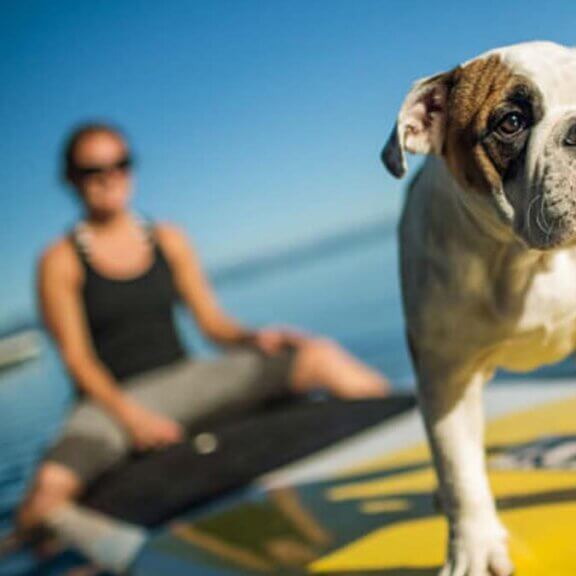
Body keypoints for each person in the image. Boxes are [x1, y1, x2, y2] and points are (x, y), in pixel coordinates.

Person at [10, 122, 389, 571]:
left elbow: (212, 324)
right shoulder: (59, 260)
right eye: (93, 169)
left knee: (319, 356)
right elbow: (77, 359)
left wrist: (256, 337)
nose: (110, 177)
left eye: (120, 164)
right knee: (46, 494)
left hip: (186, 379)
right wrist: (133, 420)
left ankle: (416, 433)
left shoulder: (167, 238)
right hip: (111, 400)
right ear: (71, 180)